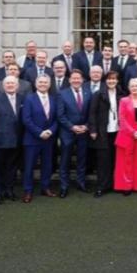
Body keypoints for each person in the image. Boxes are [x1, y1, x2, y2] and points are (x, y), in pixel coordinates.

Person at [0, 76, 23, 204]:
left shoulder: (22, 98)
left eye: (13, 83)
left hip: (17, 140)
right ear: (3, 86)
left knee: (12, 167)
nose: (10, 85)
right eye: (8, 83)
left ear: (17, 86)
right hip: (0, 139)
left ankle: (9, 190)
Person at [21, 75, 58, 203]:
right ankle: (28, 191)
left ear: (49, 84)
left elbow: (56, 119)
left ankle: (45, 187)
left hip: (48, 138)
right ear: (36, 84)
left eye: (45, 82)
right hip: (32, 139)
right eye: (40, 82)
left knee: (47, 165)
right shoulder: (29, 99)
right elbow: (26, 119)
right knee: (29, 166)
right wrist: (39, 132)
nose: (43, 84)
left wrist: (50, 131)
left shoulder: (53, 99)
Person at [56, 69, 92, 198]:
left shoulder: (88, 93)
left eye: (78, 78)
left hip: (83, 132)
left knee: (82, 159)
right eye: (73, 78)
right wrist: (72, 127)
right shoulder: (62, 94)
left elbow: (91, 113)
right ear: (70, 80)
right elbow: (60, 115)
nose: (76, 80)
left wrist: (86, 126)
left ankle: (81, 183)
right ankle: (64, 186)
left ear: (82, 80)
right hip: (67, 132)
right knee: (65, 160)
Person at [88, 71, 122, 197]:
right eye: (109, 79)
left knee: (115, 160)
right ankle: (101, 187)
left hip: (117, 132)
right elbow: (92, 113)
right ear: (105, 81)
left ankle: (114, 185)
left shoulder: (121, 94)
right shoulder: (98, 94)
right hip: (103, 132)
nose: (111, 81)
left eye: (114, 79)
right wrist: (93, 130)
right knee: (103, 161)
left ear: (117, 81)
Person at [114, 78, 137, 195]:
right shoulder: (123, 101)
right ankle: (126, 186)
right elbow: (122, 119)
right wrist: (133, 132)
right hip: (126, 136)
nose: (134, 88)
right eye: (132, 86)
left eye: (136, 86)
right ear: (129, 88)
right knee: (125, 163)